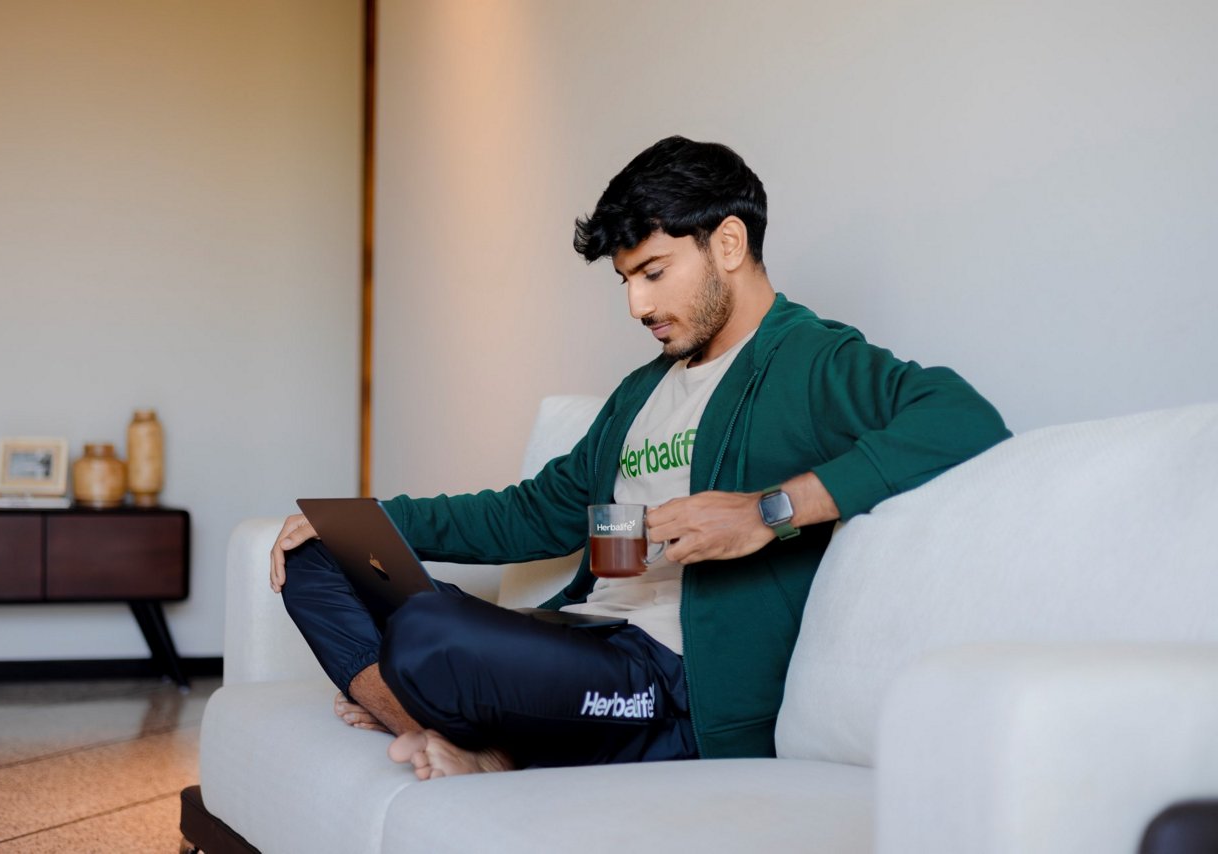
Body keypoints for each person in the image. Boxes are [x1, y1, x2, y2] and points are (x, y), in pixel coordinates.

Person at [269, 136, 1010, 780]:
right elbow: (534, 512)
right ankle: (456, 733)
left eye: (652, 272)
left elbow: (962, 417)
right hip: (584, 640)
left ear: (726, 244)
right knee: (317, 562)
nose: (636, 306)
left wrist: (768, 511)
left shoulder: (811, 359)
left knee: (430, 640)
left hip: (671, 683)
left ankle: (461, 727)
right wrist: (365, 521)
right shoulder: (640, 393)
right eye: (626, 280)